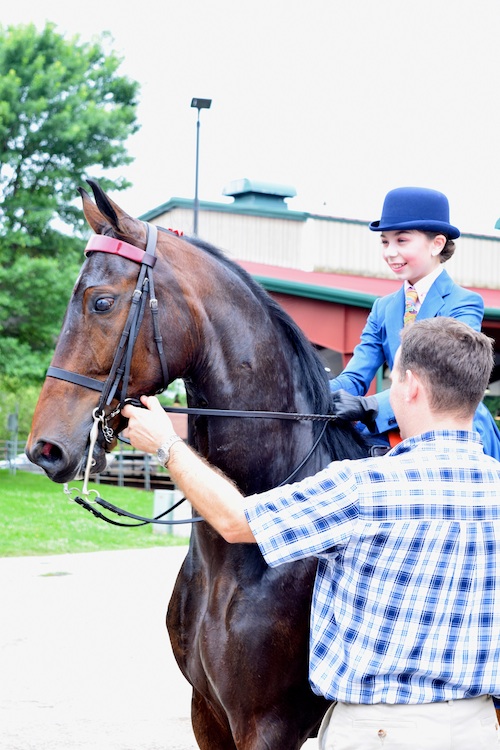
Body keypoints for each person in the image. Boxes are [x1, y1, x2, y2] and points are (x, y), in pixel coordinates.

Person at [122, 317, 500, 750]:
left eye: (394, 379)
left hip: (379, 733)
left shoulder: (364, 487)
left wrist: (167, 445)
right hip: (478, 730)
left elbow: (234, 521)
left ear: (411, 385)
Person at [329, 186, 500, 459]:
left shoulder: (464, 302)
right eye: (385, 242)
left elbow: (447, 378)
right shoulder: (383, 307)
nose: (390, 252)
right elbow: (355, 376)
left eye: (402, 240)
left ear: (437, 244)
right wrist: (309, 390)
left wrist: (371, 405)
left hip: (451, 422)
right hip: (391, 420)